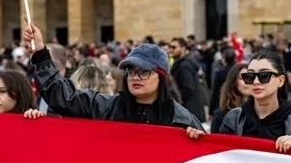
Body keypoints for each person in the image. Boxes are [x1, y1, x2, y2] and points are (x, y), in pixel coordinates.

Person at [24, 23, 202, 129]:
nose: (135, 77)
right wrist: (40, 53)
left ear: (161, 77)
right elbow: (63, 97)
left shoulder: (181, 120)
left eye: (144, 72)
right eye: (131, 71)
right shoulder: (107, 107)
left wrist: (194, 138)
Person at [212, 49, 291, 152]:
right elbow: (219, 156)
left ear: (280, 80)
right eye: (250, 77)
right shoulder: (234, 119)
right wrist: (199, 138)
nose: (256, 82)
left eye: (264, 76)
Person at [169, 38, 207, 123]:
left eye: (174, 47)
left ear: (183, 48)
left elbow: (188, 89)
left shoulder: (184, 66)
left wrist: (175, 98)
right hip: (190, 111)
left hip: (189, 112)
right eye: (170, 47)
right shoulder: (182, 64)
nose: (171, 50)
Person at [210, 62, 249, 130]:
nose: (247, 82)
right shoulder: (221, 116)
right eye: (242, 78)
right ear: (234, 82)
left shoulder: (260, 114)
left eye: (250, 78)